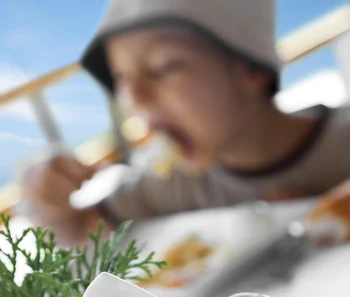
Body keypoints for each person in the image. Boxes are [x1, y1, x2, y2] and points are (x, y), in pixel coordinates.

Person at [22, 0, 350, 246]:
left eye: (163, 67)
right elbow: (79, 234)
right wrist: (47, 202)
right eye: (120, 76)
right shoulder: (172, 185)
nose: (134, 97)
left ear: (251, 70)